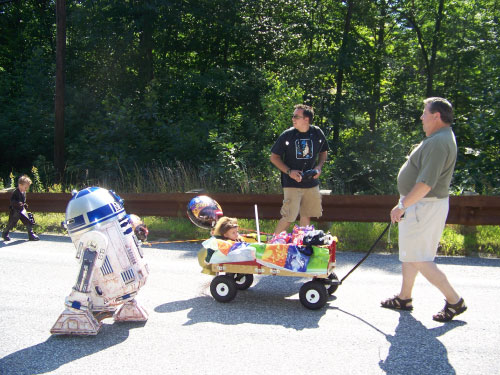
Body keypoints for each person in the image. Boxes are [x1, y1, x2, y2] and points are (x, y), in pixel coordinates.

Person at [381, 97, 466, 322]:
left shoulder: (439, 142)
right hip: (420, 204)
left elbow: (426, 183)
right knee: (411, 253)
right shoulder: (439, 138)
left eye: (424, 113)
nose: (421, 117)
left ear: (436, 116)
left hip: (423, 205)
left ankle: (454, 300)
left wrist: (402, 205)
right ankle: (404, 297)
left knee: (419, 257)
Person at [270, 104, 329, 234]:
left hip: (311, 182)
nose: (293, 118)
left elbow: (323, 152)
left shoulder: (317, 133)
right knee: (289, 217)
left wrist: (319, 167)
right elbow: (274, 157)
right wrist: (289, 172)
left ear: (306, 119)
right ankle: (272, 245)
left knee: (306, 214)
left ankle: (301, 246)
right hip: (291, 183)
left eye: (296, 116)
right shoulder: (287, 135)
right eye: (293, 116)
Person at [2, 175, 40, 241]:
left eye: (27, 188)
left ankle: (31, 235)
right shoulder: (15, 192)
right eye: (25, 187)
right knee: (11, 223)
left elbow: (23, 201)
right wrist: (18, 203)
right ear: (20, 185)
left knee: (28, 221)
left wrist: (24, 204)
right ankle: (5, 233)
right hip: (15, 211)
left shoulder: (24, 192)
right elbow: (12, 201)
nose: (26, 189)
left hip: (22, 211)